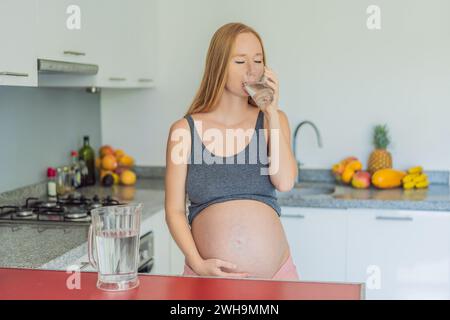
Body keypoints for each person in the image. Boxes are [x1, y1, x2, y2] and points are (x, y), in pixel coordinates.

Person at [165, 22, 299, 280]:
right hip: (206, 278)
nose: (252, 70)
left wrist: (270, 111)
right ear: (218, 66)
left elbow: (284, 182)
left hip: (277, 279)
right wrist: (198, 264)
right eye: (240, 62)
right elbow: (174, 211)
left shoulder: (275, 119)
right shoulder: (183, 131)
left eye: (258, 60)